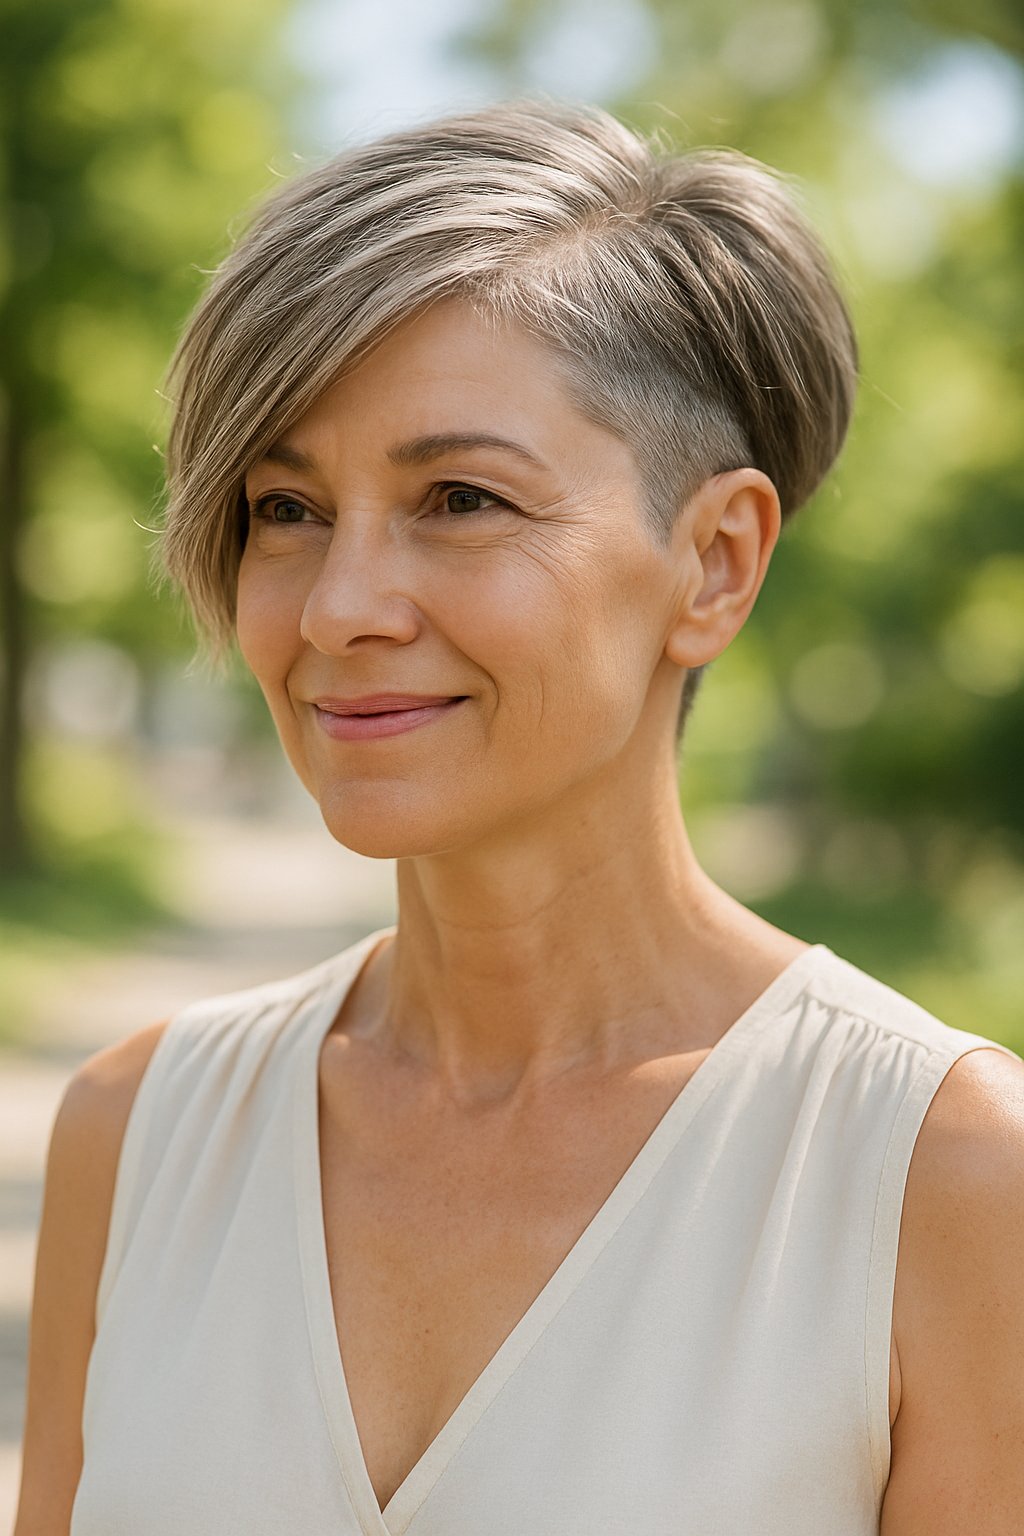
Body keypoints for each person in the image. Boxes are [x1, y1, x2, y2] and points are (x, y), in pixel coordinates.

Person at [15, 98, 1024, 1536]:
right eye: (285, 508)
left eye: (463, 498)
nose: (342, 607)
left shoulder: (945, 1179)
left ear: (715, 563)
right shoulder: (138, 1133)